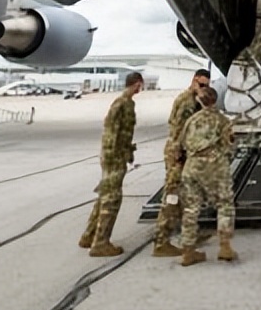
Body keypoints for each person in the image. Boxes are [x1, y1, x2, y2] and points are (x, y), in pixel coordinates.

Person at [79, 71, 144, 256]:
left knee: (105, 195)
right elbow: (112, 131)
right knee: (112, 198)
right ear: (137, 83)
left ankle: (89, 235)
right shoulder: (121, 104)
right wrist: (115, 156)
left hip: (116, 155)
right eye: (140, 85)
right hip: (114, 157)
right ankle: (101, 243)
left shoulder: (126, 103)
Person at [153, 68, 211, 256]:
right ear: (194, 81)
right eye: (201, 85)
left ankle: (190, 234)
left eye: (206, 86)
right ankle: (161, 242)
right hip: (178, 154)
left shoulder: (193, 101)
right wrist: (179, 153)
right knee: (172, 196)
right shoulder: (187, 103)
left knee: (187, 195)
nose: (203, 89)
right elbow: (178, 128)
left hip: (184, 153)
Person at [176, 85, 237, 265]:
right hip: (214, 167)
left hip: (192, 167)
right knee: (224, 204)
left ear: (199, 101)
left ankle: (188, 251)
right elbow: (229, 145)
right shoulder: (223, 121)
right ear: (215, 100)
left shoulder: (191, 121)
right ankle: (225, 247)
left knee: (191, 208)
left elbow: (180, 143)